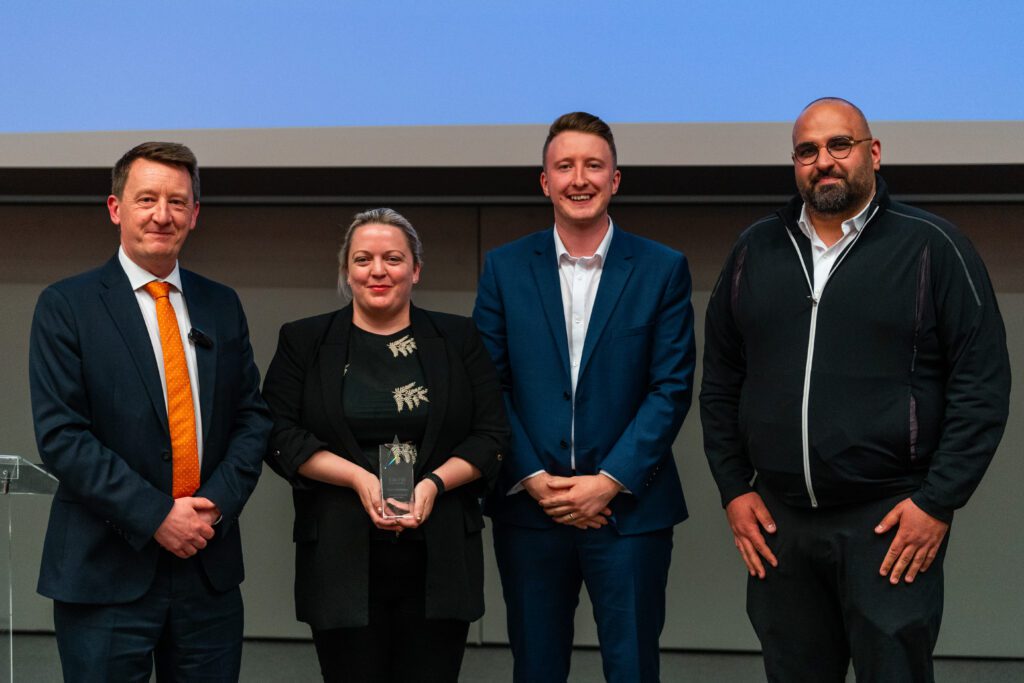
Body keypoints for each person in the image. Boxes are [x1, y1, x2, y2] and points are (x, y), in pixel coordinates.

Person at [700, 97, 1011, 682]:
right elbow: (719, 379)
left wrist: (937, 500)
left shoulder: (932, 246)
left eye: (839, 145)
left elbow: (983, 383)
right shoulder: (754, 250)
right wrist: (733, 488)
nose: (824, 161)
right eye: (808, 151)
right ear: (794, 163)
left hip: (890, 522)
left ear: (873, 152)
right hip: (779, 525)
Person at [28, 142, 271, 681]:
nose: (163, 215)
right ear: (116, 208)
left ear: (195, 214)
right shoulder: (67, 306)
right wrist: (158, 515)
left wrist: (215, 504)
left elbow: (252, 419)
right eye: (147, 199)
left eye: (177, 202)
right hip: (104, 571)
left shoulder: (221, 303)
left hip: (207, 568)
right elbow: (63, 436)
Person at [472, 112, 696, 683]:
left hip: (630, 512)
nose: (580, 178)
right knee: (536, 668)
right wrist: (533, 478)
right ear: (543, 181)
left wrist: (608, 482)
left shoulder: (662, 269)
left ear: (615, 179)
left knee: (633, 667)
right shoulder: (503, 267)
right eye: (564, 166)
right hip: (530, 510)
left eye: (593, 165)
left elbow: (670, 388)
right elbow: (487, 384)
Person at [262, 208, 508, 682]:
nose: (378, 270)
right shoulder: (305, 340)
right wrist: (357, 478)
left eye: (393, 258)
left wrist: (434, 483)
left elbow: (492, 435)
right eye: (363, 259)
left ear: (415, 270)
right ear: (346, 272)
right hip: (339, 553)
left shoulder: (458, 338)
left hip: (440, 555)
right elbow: (279, 432)